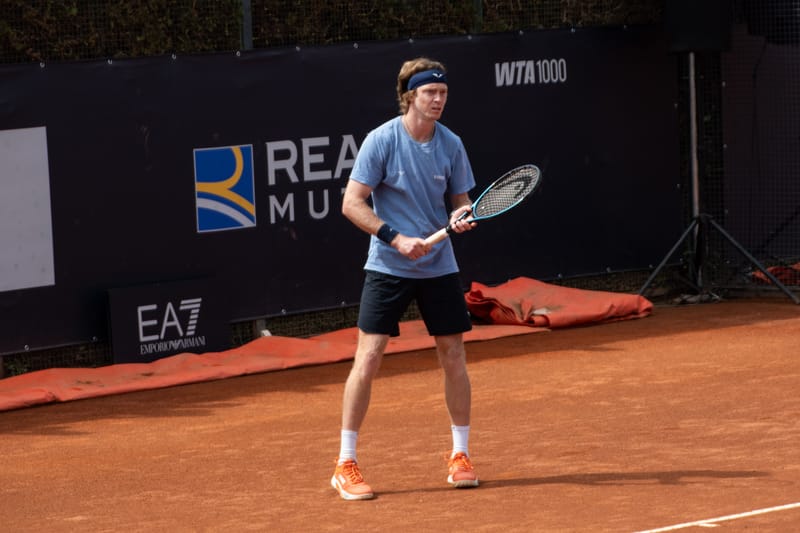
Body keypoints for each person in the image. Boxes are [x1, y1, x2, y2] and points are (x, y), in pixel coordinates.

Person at [331, 57, 479, 501]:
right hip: (388, 265)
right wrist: (395, 239)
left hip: (439, 264)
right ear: (410, 96)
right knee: (370, 356)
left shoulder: (451, 144)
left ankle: (460, 455)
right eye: (430, 93)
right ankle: (345, 462)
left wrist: (461, 216)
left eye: (444, 93)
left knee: (453, 354)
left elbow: (460, 201)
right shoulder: (382, 140)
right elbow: (352, 204)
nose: (438, 100)